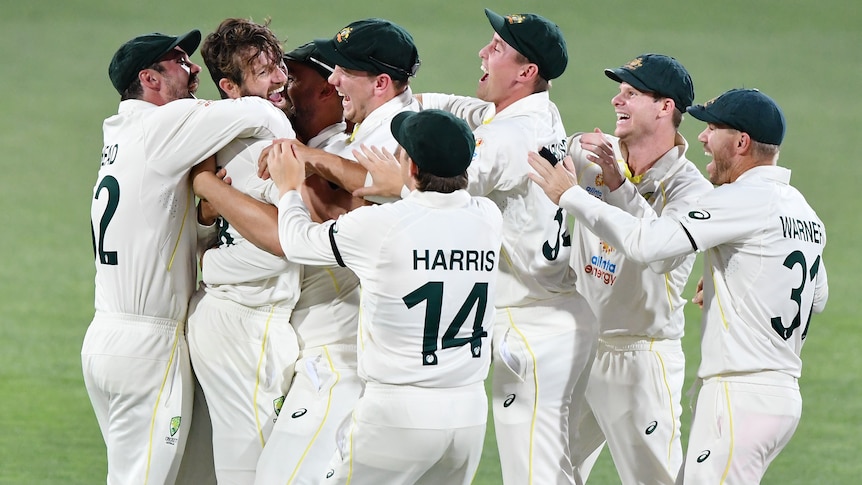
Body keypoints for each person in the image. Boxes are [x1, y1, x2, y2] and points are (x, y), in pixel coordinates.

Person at [340, 9, 592, 484]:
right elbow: (440, 107)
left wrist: (397, 178)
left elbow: (439, 181)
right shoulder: (525, 114)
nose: (482, 52)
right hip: (546, 314)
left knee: (535, 476)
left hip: (534, 324)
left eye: (496, 48)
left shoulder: (510, 135)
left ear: (526, 72)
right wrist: (395, 94)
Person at [527, 88, 828, 485]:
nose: (701, 137)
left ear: (741, 143)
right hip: (780, 398)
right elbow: (816, 296)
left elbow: (648, 244)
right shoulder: (801, 210)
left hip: (739, 394)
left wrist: (570, 195)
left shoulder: (740, 198)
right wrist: (736, 279)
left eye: (713, 129)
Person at [82, 29, 296, 485]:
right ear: (150, 78)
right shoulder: (164, 124)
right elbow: (260, 111)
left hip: (106, 338)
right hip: (148, 345)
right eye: (180, 59)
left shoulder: (122, 133)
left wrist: (206, 212)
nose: (195, 66)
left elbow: (168, 223)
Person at [267, 109, 503, 484]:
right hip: (468, 413)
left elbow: (296, 242)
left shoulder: (379, 226)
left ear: (410, 167)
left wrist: (289, 187)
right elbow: (439, 216)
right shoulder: (488, 218)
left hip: (398, 414)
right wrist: (406, 188)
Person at [560, 54, 713, 485]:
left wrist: (619, 185)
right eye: (619, 91)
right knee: (546, 470)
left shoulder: (693, 191)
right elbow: (535, 151)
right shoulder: (590, 154)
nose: (616, 100)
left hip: (641, 357)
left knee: (655, 480)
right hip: (580, 348)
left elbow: (658, 251)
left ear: (665, 108)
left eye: (631, 93)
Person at [183, 18, 300, 484]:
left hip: (246, 319)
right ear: (230, 86)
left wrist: (208, 207)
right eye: (262, 70)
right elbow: (280, 241)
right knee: (248, 470)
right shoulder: (263, 122)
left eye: (278, 66)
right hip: (241, 322)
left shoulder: (239, 132)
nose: (279, 79)